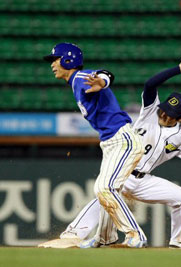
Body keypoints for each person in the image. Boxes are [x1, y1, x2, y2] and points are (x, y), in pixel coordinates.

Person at [40, 58, 181, 249]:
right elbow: (150, 84)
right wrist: (178, 69)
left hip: (143, 180)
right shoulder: (150, 112)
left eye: (169, 114)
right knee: (105, 192)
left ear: (180, 118)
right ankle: (75, 233)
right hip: (125, 166)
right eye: (164, 109)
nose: (163, 115)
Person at [43, 43, 146, 248]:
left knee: (104, 187)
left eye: (56, 59)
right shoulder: (75, 83)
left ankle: (136, 235)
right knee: (107, 189)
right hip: (110, 142)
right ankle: (105, 237)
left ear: (68, 60)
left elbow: (105, 74)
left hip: (122, 139)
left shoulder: (81, 78)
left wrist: (102, 80)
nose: (53, 63)